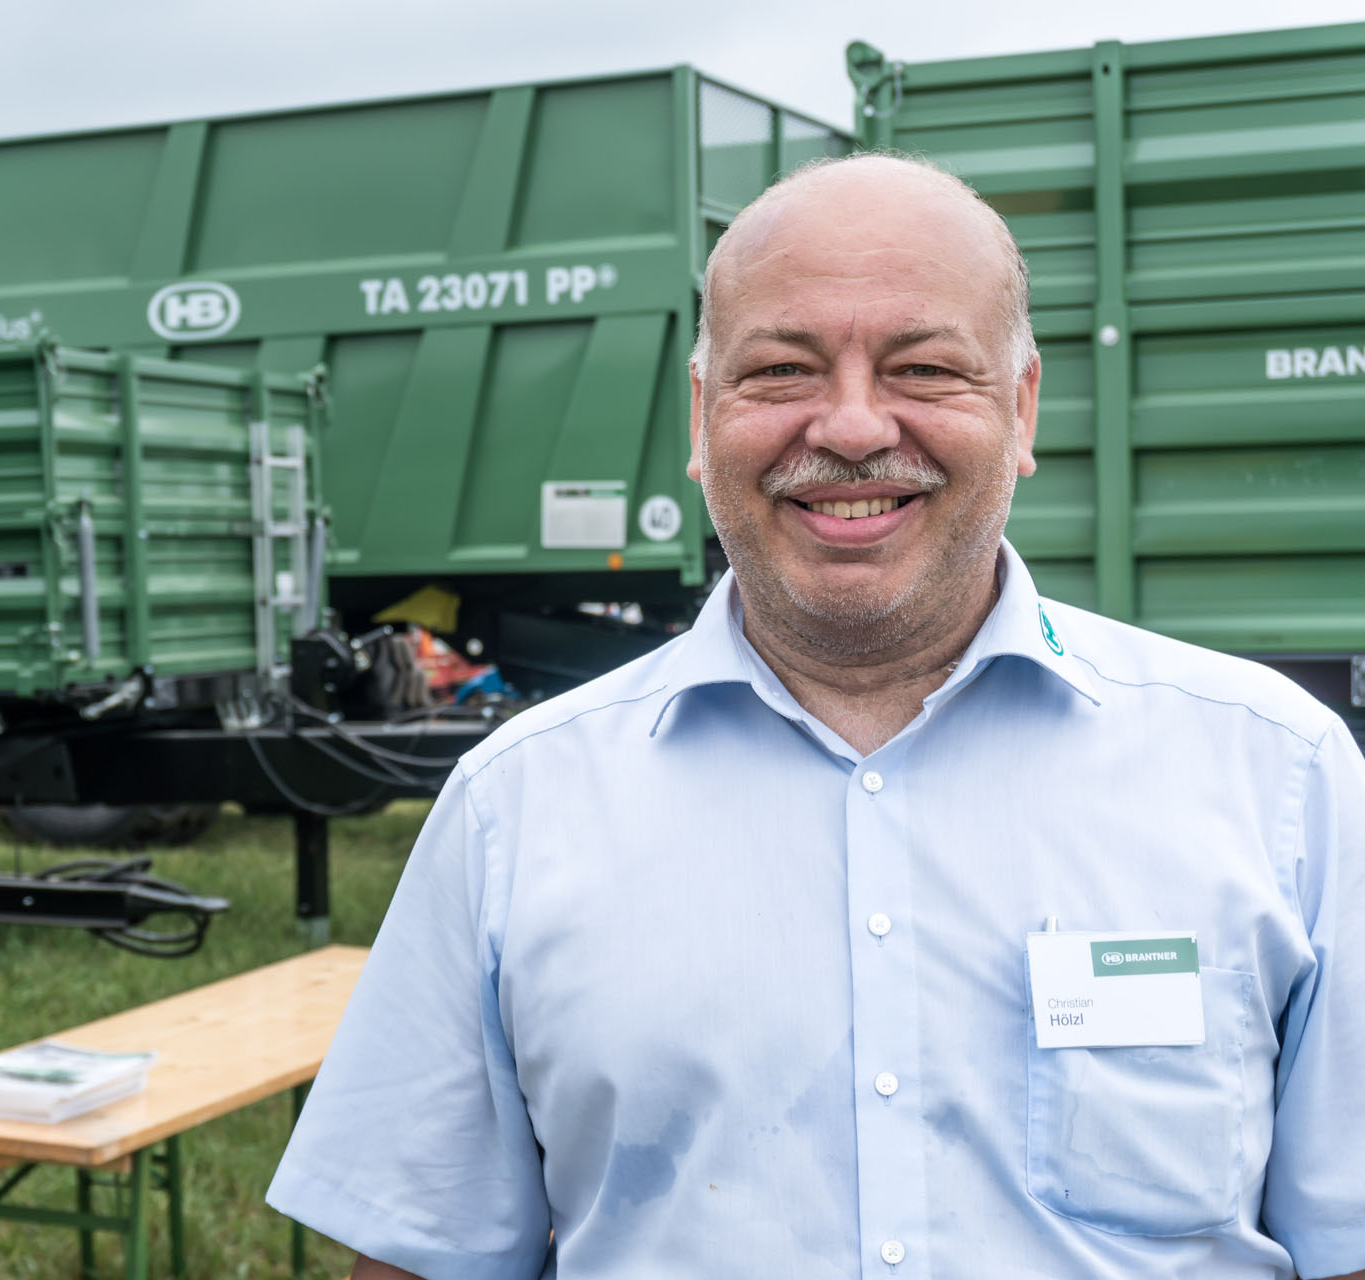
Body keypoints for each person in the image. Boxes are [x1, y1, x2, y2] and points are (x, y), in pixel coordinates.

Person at [265, 154, 1365, 1280]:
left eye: (926, 367)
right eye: (782, 370)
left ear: (1023, 407)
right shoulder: (516, 806)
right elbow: (418, 1254)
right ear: (701, 417)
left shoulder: (1281, 777)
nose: (847, 427)